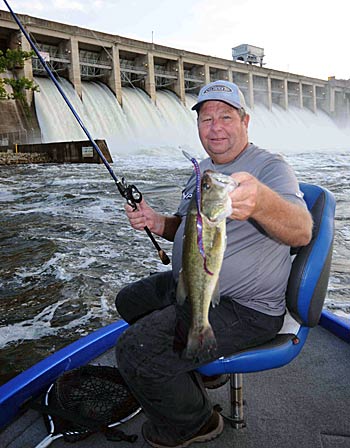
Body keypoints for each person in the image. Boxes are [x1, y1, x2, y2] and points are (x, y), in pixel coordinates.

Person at [115, 80, 313, 448]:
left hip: (247, 308)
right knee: (129, 301)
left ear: (245, 121)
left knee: (134, 350)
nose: (216, 127)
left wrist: (262, 204)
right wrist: (157, 222)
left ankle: (196, 422)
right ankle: (197, 371)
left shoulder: (270, 166)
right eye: (207, 119)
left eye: (226, 116)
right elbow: (186, 231)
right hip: (192, 283)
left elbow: (302, 231)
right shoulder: (203, 172)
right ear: (198, 127)